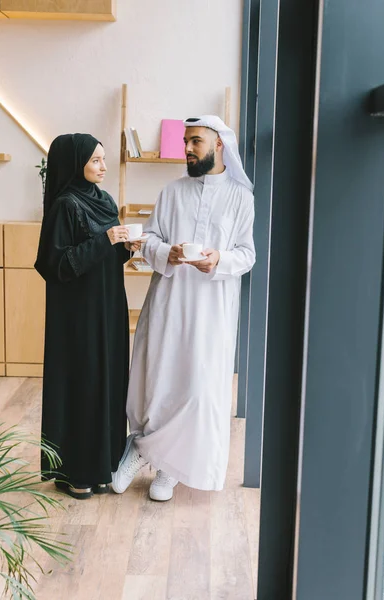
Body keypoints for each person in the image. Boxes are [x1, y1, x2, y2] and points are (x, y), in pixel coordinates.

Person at [111, 116, 255, 501]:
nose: (187, 150)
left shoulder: (242, 197)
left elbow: (247, 255)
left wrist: (218, 259)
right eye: (185, 142)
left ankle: (168, 467)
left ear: (219, 144)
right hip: (168, 301)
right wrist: (167, 253)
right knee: (157, 378)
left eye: (195, 142)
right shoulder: (172, 191)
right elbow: (151, 239)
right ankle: (142, 448)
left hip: (212, 308)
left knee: (196, 386)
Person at [35, 133, 140, 499]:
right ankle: (77, 470)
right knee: (83, 382)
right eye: (96, 160)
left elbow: (104, 257)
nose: (104, 167)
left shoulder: (105, 200)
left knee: (107, 379)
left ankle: (102, 464)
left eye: (104, 159)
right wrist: (107, 240)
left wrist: (124, 248)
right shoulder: (65, 206)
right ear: (75, 162)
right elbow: (57, 264)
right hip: (77, 315)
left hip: (108, 306)